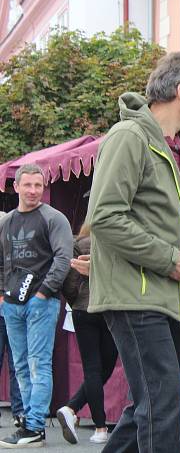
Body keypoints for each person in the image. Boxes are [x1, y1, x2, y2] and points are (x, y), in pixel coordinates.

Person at [87, 51, 180, 453]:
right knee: (162, 404)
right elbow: (104, 217)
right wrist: (168, 257)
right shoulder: (129, 138)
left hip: (172, 296)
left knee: (151, 405)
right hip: (136, 292)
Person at [0, 164, 73, 448]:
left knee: (37, 365)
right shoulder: (7, 222)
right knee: (20, 366)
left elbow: (63, 258)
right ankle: (27, 421)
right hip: (12, 303)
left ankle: (35, 426)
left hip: (41, 303)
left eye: (38, 186)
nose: (33, 191)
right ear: (15, 187)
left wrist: (44, 293)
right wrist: (3, 296)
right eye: (27, 185)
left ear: (44, 188)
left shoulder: (54, 218)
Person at [56, 223, 118, 445]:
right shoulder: (116, 240)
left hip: (83, 309)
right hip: (110, 307)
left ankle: (75, 411)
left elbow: (68, 281)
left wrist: (77, 300)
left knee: (93, 367)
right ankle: (96, 424)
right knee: (106, 366)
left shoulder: (78, 243)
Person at [0, 212, 23, 430]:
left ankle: (20, 410)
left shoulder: (10, 223)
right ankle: (19, 410)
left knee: (18, 361)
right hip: (5, 301)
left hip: (16, 302)